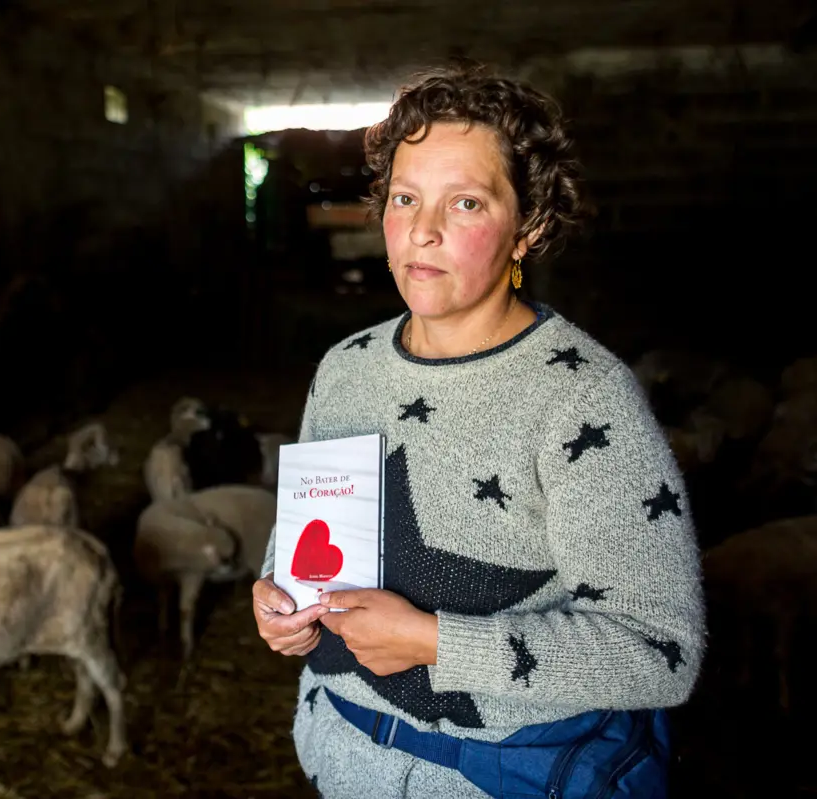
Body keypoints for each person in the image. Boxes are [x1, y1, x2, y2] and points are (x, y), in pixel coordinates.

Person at [251, 59, 705, 799]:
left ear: (530, 226)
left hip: (498, 776)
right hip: (338, 759)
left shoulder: (583, 401)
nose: (421, 231)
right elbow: (296, 542)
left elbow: (661, 650)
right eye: (405, 197)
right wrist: (276, 601)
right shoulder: (345, 366)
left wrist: (436, 642)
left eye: (464, 203)